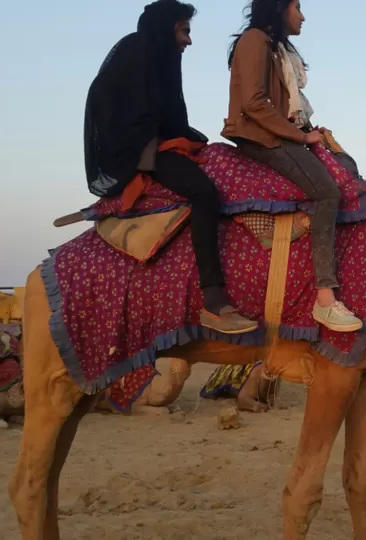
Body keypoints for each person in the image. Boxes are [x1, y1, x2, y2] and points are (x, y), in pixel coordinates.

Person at [83, 0, 258, 335]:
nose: (188, 40)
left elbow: (168, 114)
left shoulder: (157, 58)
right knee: (204, 193)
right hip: (140, 152)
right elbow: (122, 110)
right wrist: (153, 141)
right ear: (166, 28)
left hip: (157, 143)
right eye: (184, 31)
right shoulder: (137, 53)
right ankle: (214, 300)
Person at [222, 0, 363, 333]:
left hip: (281, 132)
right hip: (261, 137)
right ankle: (325, 299)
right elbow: (254, 103)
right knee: (327, 192)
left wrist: (309, 132)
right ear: (278, 7)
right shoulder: (255, 40)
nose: (302, 15)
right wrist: (301, 138)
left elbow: (284, 105)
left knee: (345, 169)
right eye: (297, 6)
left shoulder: (278, 49)